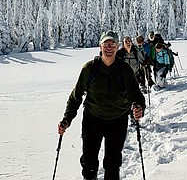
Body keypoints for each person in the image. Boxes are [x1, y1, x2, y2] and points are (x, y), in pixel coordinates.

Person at [58, 31, 146, 180]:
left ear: (117, 46)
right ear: (100, 46)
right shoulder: (89, 68)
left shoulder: (124, 69)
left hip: (117, 121)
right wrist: (67, 119)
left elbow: (136, 95)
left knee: (112, 164)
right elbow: (76, 96)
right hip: (93, 120)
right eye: (106, 44)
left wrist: (138, 107)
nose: (109, 47)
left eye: (112, 44)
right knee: (89, 162)